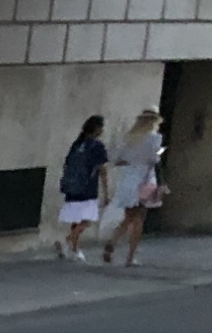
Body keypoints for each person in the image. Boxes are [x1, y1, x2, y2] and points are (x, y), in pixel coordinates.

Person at [102, 108, 166, 266]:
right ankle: (130, 257)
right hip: (145, 180)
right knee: (139, 220)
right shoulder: (155, 139)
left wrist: (131, 160)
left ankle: (113, 241)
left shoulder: (129, 138)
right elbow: (155, 160)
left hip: (128, 180)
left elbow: (116, 159)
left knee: (128, 217)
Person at [55, 115, 109, 261]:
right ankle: (68, 240)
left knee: (76, 220)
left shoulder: (77, 144)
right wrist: (106, 192)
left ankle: (74, 249)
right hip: (88, 189)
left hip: (73, 188)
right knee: (87, 220)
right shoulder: (97, 146)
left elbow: (67, 164)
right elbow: (102, 170)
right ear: (97, 129)